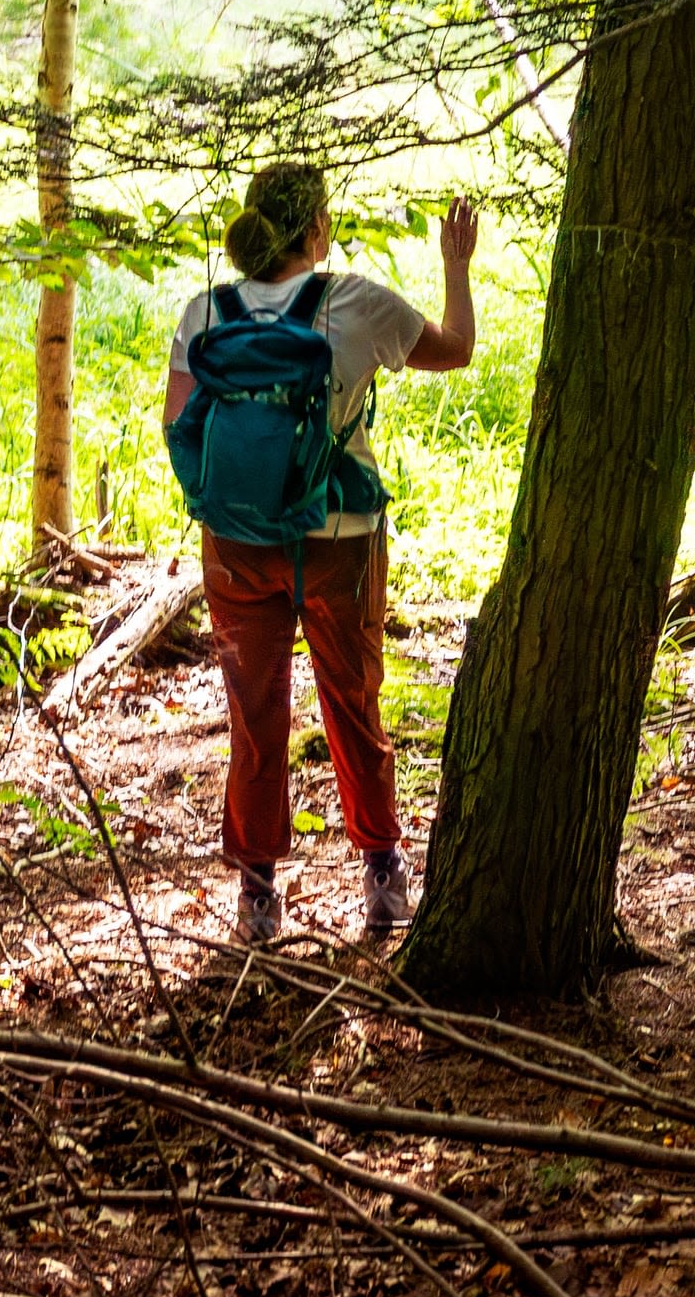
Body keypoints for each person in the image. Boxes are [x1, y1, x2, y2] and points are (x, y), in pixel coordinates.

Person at [165, 163, 476, 941]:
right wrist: (456, 265)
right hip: (339, 539)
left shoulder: (205, 310)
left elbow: (177, 426)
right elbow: (459, 349)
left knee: (255, 713)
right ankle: (381, 878)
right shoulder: (358, 301)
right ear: (315, 230)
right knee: (352, 700)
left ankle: (259, 897)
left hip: (235, 545)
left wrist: (236, 497)